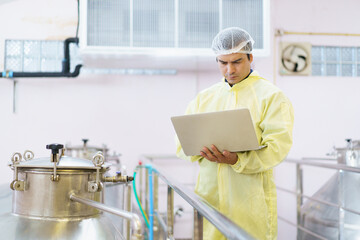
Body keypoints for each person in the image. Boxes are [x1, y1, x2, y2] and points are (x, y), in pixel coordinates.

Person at [175, 27, 294, 240]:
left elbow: (277, 148)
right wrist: (199, 150)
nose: (230, 69)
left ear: (250, 57)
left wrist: (238, 160)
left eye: (237, 61)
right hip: (211, 201)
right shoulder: (205, 98)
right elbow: (181, 144)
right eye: (223, 62)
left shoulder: (271, 97)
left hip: (250, 205)